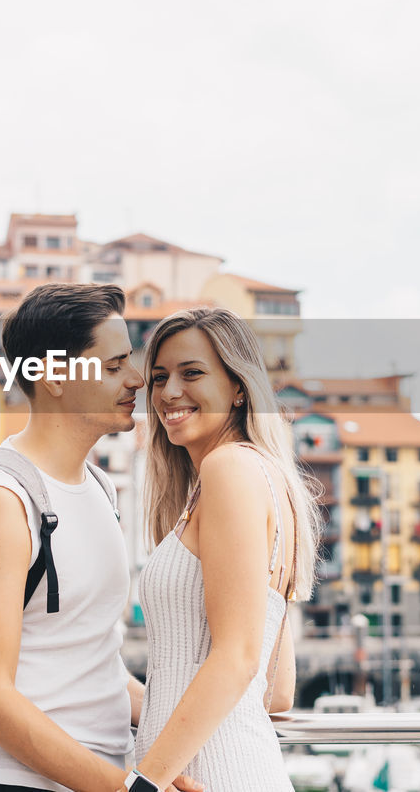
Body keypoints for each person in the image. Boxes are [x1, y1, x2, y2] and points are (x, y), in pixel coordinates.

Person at [0, 282, 201, 792]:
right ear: (55, 375)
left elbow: (91, 660)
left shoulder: (99, 487)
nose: (138, 379)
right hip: (3, 780)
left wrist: (202, 727)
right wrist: (125, 789)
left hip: (92, 775)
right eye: (113, 365)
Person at [127, 307, 319, 792]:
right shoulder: (267, 478)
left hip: (214, 774)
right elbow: (277, 692)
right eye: (158, 377)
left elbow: (237, 658)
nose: (169, 392)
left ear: (238, 387)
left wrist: (142, 783)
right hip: (230, 768)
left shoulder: (229, 469)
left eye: (192, 373)